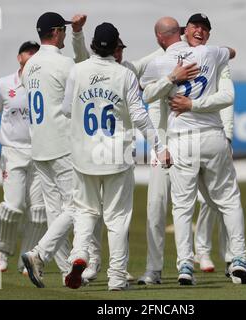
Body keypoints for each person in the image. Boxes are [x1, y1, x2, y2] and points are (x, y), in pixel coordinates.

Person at [140, 16, 246, 285]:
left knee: (182, 207)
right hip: (211, 136)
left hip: (182, 140)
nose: (199, 31)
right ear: (183, 31)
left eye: (203, 28)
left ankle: (185, 265)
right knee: (228, 201)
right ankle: (238, 258)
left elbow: (146, 95)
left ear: (161, 37)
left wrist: (178, 88)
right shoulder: (213, 53)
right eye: (195, 27)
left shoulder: (160, 62)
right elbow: (232, 53)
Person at [62, 22, 170, 291]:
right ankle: (117, 278)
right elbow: (139, 116)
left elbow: (66, 110)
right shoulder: (124, 75)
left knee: (86, 212)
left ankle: (79, 256)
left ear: (93, 46)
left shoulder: (77, 70)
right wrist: (158, 146)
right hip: (116, 156)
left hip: (83, 155)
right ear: (115, 48)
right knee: (117, 219)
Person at [20, 12, 88, 287]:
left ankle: (63, 270)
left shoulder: (29, 65)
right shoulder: (64, 64)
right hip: (63, 145)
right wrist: (79, 35)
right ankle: (39, 253)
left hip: (39, 146)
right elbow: (86, 70)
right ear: (58, 32)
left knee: (54, 210)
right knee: (79, 206)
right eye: (65, 31)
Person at [0, 41, 47, 275]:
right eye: (28, 53)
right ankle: (3, 251)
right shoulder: (5, 84)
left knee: (38, 210)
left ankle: (28, 258)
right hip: (13, 151)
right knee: (14, 207)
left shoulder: (47, 83)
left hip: (40, 152)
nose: (32, 57)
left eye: (36, 54)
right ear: (19, 57)